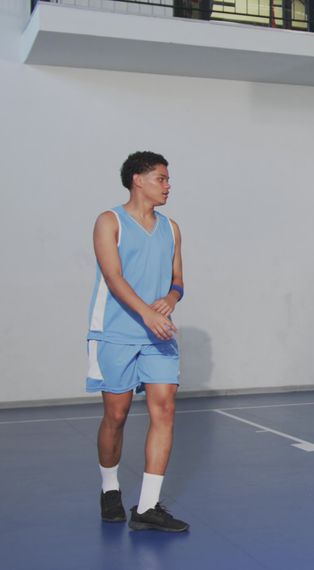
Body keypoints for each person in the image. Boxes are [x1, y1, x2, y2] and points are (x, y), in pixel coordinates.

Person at [88, 151, 190, 531]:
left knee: (164, 410)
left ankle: (147, 508)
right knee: (116, 415)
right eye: (161, 178)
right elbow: (113, 278)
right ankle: (110, 488)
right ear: (138, 180)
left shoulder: (172, 228)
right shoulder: (109, 221)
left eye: (167, 178)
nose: (168, 185)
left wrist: (171, 298)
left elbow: (178, 280)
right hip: (116, 333)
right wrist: (146, 314)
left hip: (158, 336)